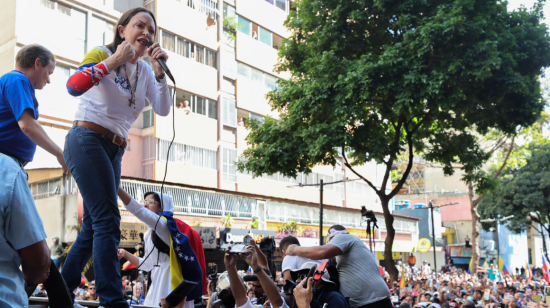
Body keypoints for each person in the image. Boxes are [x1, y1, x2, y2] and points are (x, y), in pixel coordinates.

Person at [61, 7, 171, 308]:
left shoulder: (146, 71)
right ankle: (113, 300)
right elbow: (73, 86)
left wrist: (159, 72)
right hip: (87, 139)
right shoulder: (101, 52)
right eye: (140, 26)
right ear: (122, 30)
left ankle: (61, 287)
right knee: (108, 219)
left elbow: (162, 109)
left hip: (115, 148)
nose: (147, 34)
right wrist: (115, 60)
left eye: (152, 30)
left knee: (94, 226)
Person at [0, 44, 70, 308]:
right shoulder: (17, 79)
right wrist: (59, 153)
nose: (49, 80)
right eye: (49, 72)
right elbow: (27, 125)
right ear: (37, 63)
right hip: (6, 166)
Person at [117, 188, 202, 308]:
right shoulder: (148, 234)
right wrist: (126, 254)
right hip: (155, 283)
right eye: (144, 201)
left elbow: (138, 210)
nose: (145, 205)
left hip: (170, 281)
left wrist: (117, 189)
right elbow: (148, 265)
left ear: (162, 207)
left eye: (150, 202)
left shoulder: (164, 225)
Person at [285, 225, 391, 308]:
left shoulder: (345, 237)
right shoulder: (342, 257)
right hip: (363, 303)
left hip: (374, 302)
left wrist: (294, 249)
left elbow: (322, 252)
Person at [225, 244, 290, 308]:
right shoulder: (255, 303)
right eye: (253, 286)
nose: (254, 289)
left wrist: (256, 267)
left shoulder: (277, 299)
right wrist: (230, 267)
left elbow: (276, 300)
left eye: (258, 286)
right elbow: (240, 298)